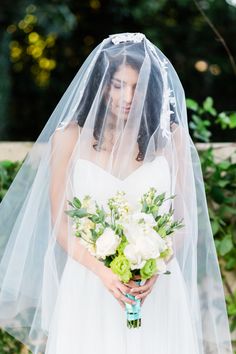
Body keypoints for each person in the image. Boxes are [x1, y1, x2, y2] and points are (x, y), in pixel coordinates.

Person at [0, 32, 232, 354]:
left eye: (136, 87)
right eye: (118, 85)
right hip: (90, 283)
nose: (127, 97)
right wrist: (104, 273)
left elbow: (184, 219)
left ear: (150, 89)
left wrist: (157, 265)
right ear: (102, 85)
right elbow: (61, 223)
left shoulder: (171, 138)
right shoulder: (68, 138)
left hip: (156, 288)